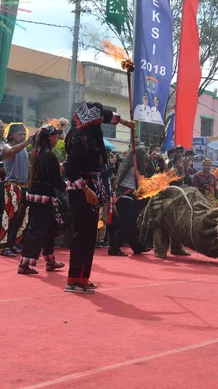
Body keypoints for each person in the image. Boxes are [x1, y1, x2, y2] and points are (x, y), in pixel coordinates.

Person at [64, 102, 135, 294]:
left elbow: (107, 115)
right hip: (82, 190)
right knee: (82, 236)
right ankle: (73, 280)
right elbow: (70, 168)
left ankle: (82, 278)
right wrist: (86, 190)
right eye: (99, 121)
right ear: (92, 122)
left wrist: (126, 122)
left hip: (93, 188)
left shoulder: (88, 131)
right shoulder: (80, 138)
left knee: (89, 236)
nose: (102, 123)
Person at [19, 124, 67, 275]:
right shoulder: (49, 155)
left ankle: (50, 260)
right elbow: (55, 180)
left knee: (50, 229)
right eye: (55, 136)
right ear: (49, 137)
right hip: (44, 198)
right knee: (37, 231)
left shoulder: (37, 153)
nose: (57, 139)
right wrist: (67, 186)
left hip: (37, 196)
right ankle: (24, 264)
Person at [0, 123, 34, 257]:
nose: (22, 137)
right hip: (12, 185)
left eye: (24, 135)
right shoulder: (7, 147)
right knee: (10, 216)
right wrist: (27, 142)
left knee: (21, 217)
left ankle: (13, 243)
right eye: (20, 135)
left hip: (24, 186)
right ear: (12, 135)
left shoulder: (24, 149)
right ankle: (4, 246)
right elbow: (10, 153)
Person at [109, 148, 150, 257]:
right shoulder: (134, 169)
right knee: (127, 224)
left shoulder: (126, 168)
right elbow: (141, 185)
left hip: (122, 197)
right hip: (126, 197)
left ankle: (137, 247)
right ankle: (114, 248)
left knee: (131, 224)